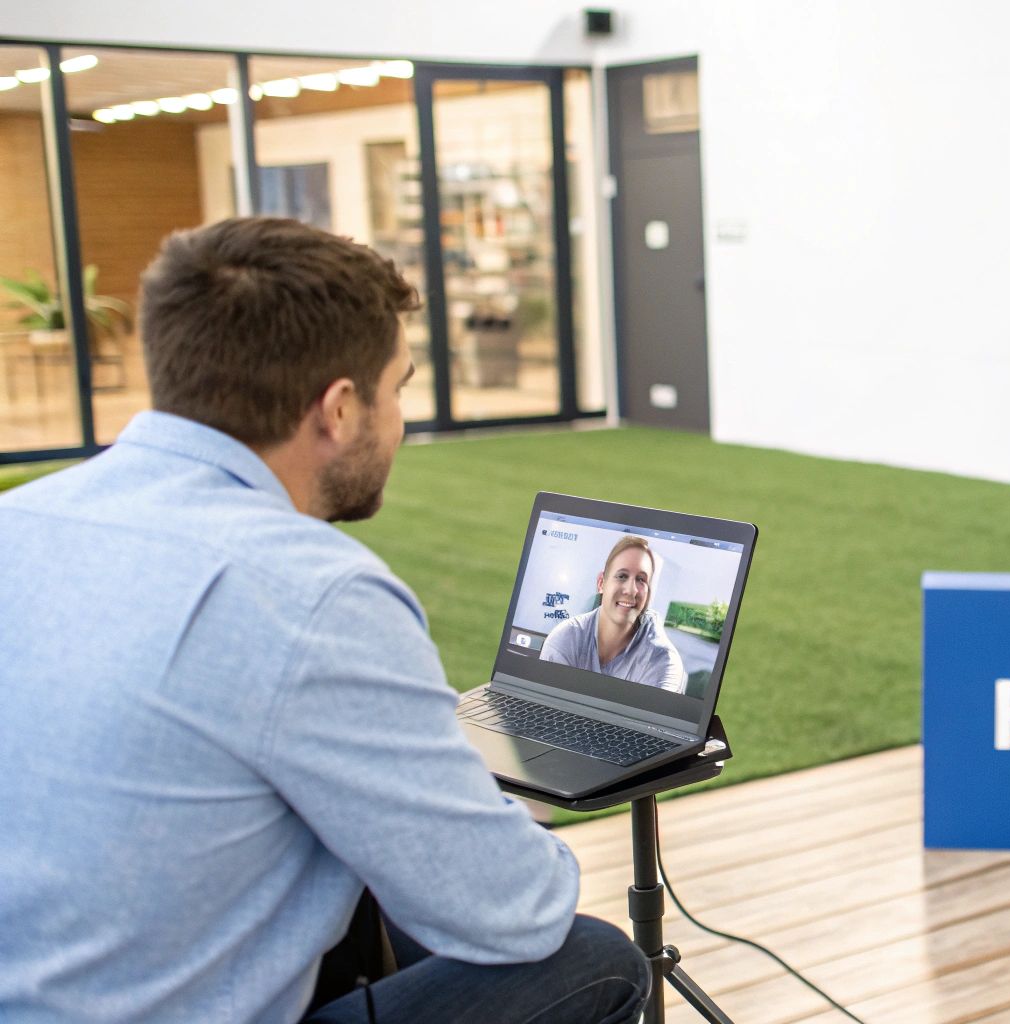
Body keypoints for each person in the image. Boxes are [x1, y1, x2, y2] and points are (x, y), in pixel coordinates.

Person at [0, 218, 650, 1022]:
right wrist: (501, 811)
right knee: (596, 961)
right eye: (399, 386)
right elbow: (518, 911)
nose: (401, 418)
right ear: (340, 409)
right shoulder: (311, 593)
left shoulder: (21, 522)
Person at [541, 535, 688, 693]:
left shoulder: (663, 661)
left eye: (641, 579)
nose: (631, 590)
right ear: (601, 583)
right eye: (622, 576)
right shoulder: (565, 638)